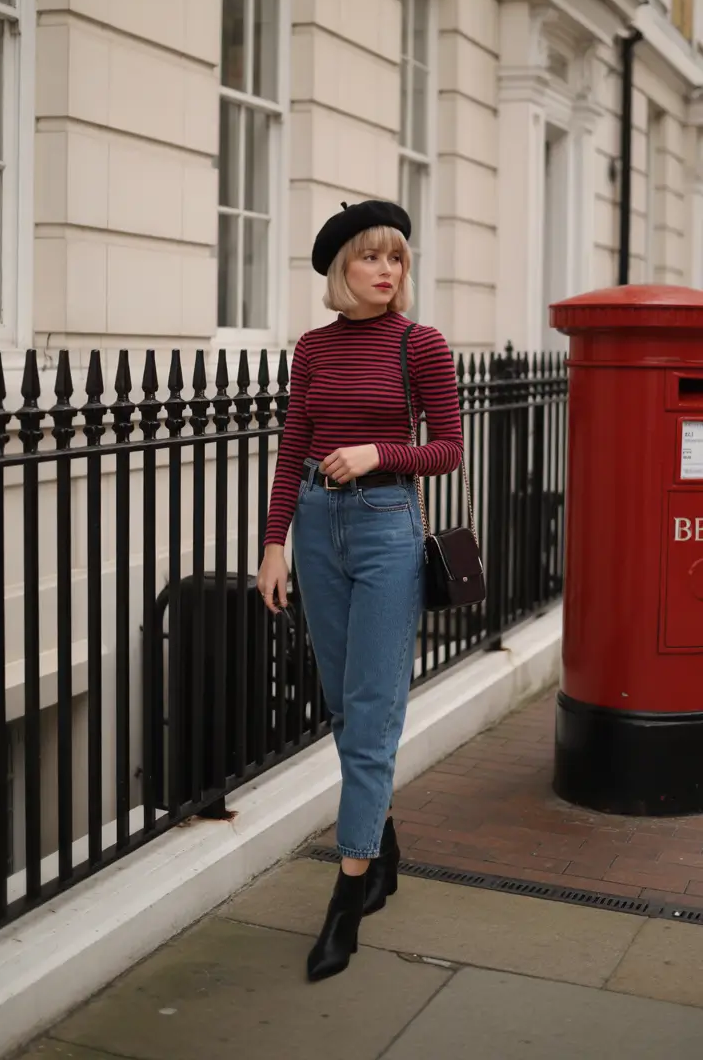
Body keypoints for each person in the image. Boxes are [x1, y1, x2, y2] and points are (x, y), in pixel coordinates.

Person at [257, 199, 463, 983]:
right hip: (315, 527)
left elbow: (448, 447)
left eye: (396, 257)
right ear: (342, 268)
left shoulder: (421, 343)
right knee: (345, 706)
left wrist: (378, 453)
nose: (386, 270)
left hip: (385, 530)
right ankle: (383, 851)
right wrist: (273, 545)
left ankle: (346, 897)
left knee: (373, 712)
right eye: (371, 257)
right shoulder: (312, 348)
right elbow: (292, 448)